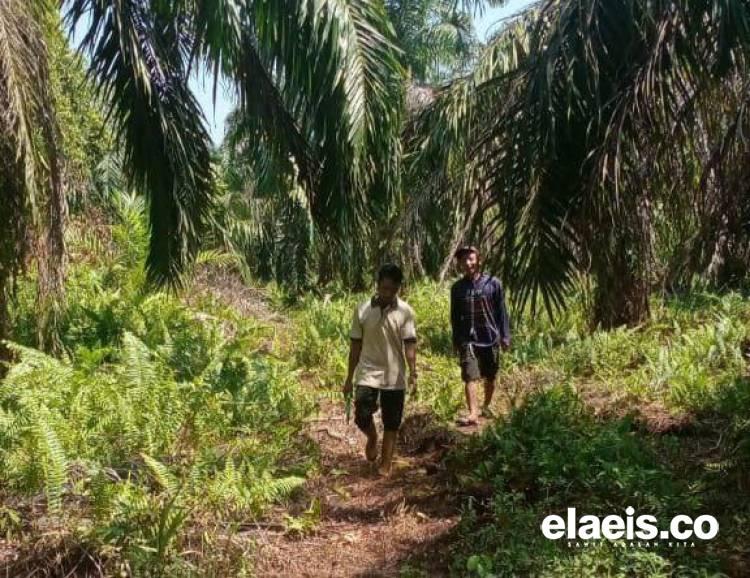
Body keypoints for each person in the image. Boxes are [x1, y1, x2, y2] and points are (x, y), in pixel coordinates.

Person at [343, 264, 417, 476]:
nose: (387, 294)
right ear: (377, 285)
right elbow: (355, 345)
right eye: (383, 288)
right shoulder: (363, 309)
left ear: (398, 288)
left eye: (392, 290)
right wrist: (349, 378)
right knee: (362, 415)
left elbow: (410, 344)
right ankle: (372, 437)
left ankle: (386, 464)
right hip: (368, 372)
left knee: (392, 421)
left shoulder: (405, 312)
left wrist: (413, 372)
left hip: (395, 376)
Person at [450, 246, 510, 427]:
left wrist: (505, 336)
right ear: (459, 264)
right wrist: (456, 340)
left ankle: (486, 405)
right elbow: (455, 316)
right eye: (463, 260)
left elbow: (502, 312)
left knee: (490, 376)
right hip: (468, 340)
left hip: (490, 337)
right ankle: (473, 413)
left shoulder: (493, 284)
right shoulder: (457, 288)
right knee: (470, 375)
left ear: (479, 260)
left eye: (471, 259)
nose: (468, 263)